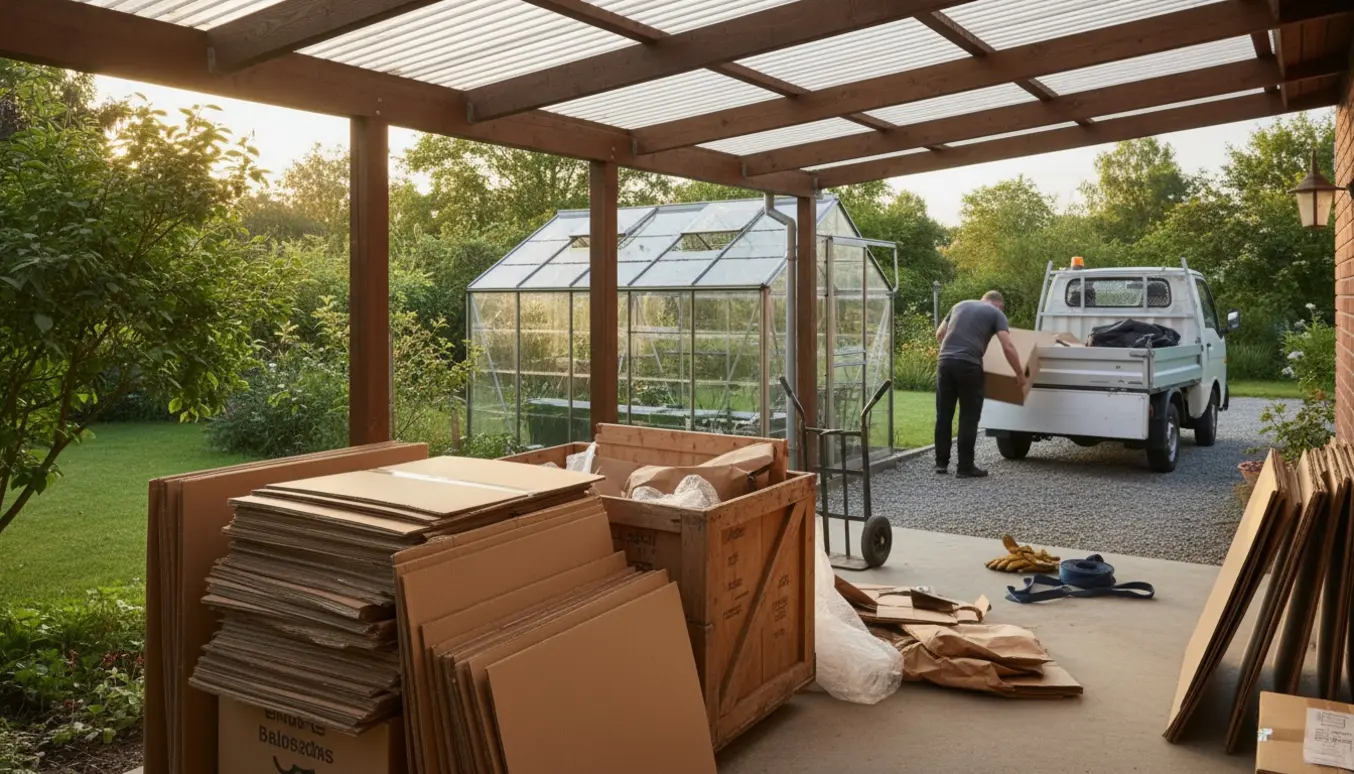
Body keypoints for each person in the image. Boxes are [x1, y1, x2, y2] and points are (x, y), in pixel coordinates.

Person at [933, 290, 1024, 478]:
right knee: (968, 416)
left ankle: (941, 464)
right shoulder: (996, 313)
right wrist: (1019, 373)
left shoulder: (959, 305)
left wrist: (951, 351)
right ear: (998, 304)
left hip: (944, 363)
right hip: (969, 365)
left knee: (944, 415)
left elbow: (940, 333)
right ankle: (965, 467)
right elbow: (1007, 346)